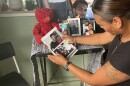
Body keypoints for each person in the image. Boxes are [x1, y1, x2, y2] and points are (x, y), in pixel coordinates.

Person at [48, 0, 130, 85]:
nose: (101, 27)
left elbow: (93, 80)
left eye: (101, 25)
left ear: (117, 22)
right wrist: (74, 39)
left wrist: (65, 63)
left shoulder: (127, 55)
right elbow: (101, 38)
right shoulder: (123, 30)